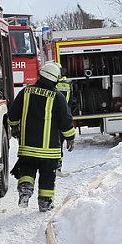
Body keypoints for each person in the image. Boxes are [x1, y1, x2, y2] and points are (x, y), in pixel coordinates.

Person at [7, 61, 76, 211]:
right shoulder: (57, 97)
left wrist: (14, 128)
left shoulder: (25, 92)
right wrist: (70, 137)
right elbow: (66, 120)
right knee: (47, 176)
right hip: (49, 150)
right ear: (56, 79)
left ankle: (25, 189)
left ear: (41, 74)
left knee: (27, 168)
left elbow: (12, 114)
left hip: (28, 147)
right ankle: (45, 202)